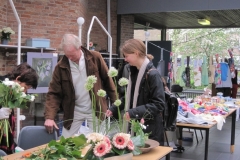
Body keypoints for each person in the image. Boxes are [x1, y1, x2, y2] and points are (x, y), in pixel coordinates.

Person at [44, 34, 116, 138]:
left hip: (96, 109)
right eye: (67, 55)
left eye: (72, 55)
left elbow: (107, 80)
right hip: (73, 110)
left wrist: (115, 105)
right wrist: (49, 117)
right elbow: (54, 93)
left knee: (100, 143)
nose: (70, 58)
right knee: (65, 141)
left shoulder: (95, 57)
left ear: (80, 48)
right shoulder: (60, 66)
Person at [106, 39, 165, 145]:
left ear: (136, 53)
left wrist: (133, 112)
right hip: (137, 128)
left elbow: (159, 104)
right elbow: (130, 97)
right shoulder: (134, 72)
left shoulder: (153, 75)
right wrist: (114, 108)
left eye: (126, 56)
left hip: (149, 131)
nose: (125, 59)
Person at [0, 62, 38, 154]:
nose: (25, 92)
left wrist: (15, 147)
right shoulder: (3, 88)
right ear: (18, 79)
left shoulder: (11, 94)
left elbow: (7, 131)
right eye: (25, 87)